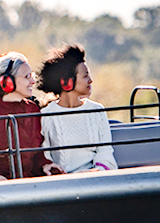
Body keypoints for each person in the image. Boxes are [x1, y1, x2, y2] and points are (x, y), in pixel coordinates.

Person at [0, 52, 61, 183]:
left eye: (32, 76)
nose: (33, 81)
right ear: (7, 80)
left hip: (25, 183)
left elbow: (36, 154)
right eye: (27, 77)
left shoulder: (32, 109)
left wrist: (45, 165)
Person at [38, 44, 118, 173]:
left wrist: (96, 171)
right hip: (64, 184)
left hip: (96, 178)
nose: (91, 80)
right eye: (85, 76)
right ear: (67, 82)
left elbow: (105, 153)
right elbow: (46, 158)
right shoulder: (45, 116)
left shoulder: (98, 110)